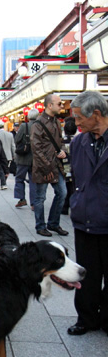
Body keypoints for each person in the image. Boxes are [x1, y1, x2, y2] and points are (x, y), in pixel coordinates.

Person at [67, 91, 108, 336]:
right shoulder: (79, 143)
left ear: (96, 114)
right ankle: (86, 318)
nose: (76, 123)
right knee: (85, 274)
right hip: (84, 219)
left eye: (79, 118)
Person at [30, 94, 68, 237]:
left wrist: (62, 151)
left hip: (56, 165)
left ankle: (53, 223)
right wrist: (46, 167)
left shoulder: (57, 122)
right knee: (40, 197)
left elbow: (60, 142)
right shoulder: (38, 124)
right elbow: (36, 148)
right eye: (59, 104)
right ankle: (40, 226)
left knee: (62, 193)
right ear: (49, 105)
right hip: (43, 168)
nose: (62, 106)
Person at [14, 108, 38, 210]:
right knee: (33, 180)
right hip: (36, 158)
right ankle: (33, 203)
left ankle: (22, 199)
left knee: (19, 179)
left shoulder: (24, 126)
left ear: (28, 116)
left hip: (23, 157)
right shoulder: (40, 126)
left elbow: (17, 139)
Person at [61, 116, 78, 215]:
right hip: (76, 166)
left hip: (65, 166)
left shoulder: (62, 141)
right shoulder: (78, 140)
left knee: (67, 186)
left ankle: (65, 206)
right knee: (74, 186)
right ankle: (72, 205)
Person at [0, 121, 15, 190]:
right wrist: (14, 155)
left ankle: (3, 183)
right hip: (8, 155)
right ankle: (3, 182)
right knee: (6, 169)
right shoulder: (10, 134)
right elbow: (13, 146)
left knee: (1, 169)